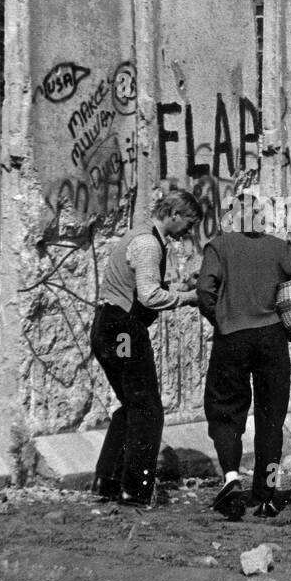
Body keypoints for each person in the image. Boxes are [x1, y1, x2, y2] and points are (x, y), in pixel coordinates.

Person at [196, 192, 291, 518]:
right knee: (272, 420)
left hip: (231, 338)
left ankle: (231, 476)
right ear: (260, 217)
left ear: (233, 217)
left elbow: (205, 290)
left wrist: (220, 318)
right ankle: (267, 496)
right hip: (272, 339)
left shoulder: (219, 247)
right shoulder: (279, 249)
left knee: (224, 411)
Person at [90, 189, 202, 507]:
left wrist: (179, 287)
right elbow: (149, 296)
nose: (188, 232)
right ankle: (136, 489)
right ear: (174, 215)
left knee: (130, 405)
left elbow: (147, 284)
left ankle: (107, 481)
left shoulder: (139, 237)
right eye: (188, 223)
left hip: (107, 327)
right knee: (147, 409)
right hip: (123, 331)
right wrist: (189, 298)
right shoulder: (149, 244)